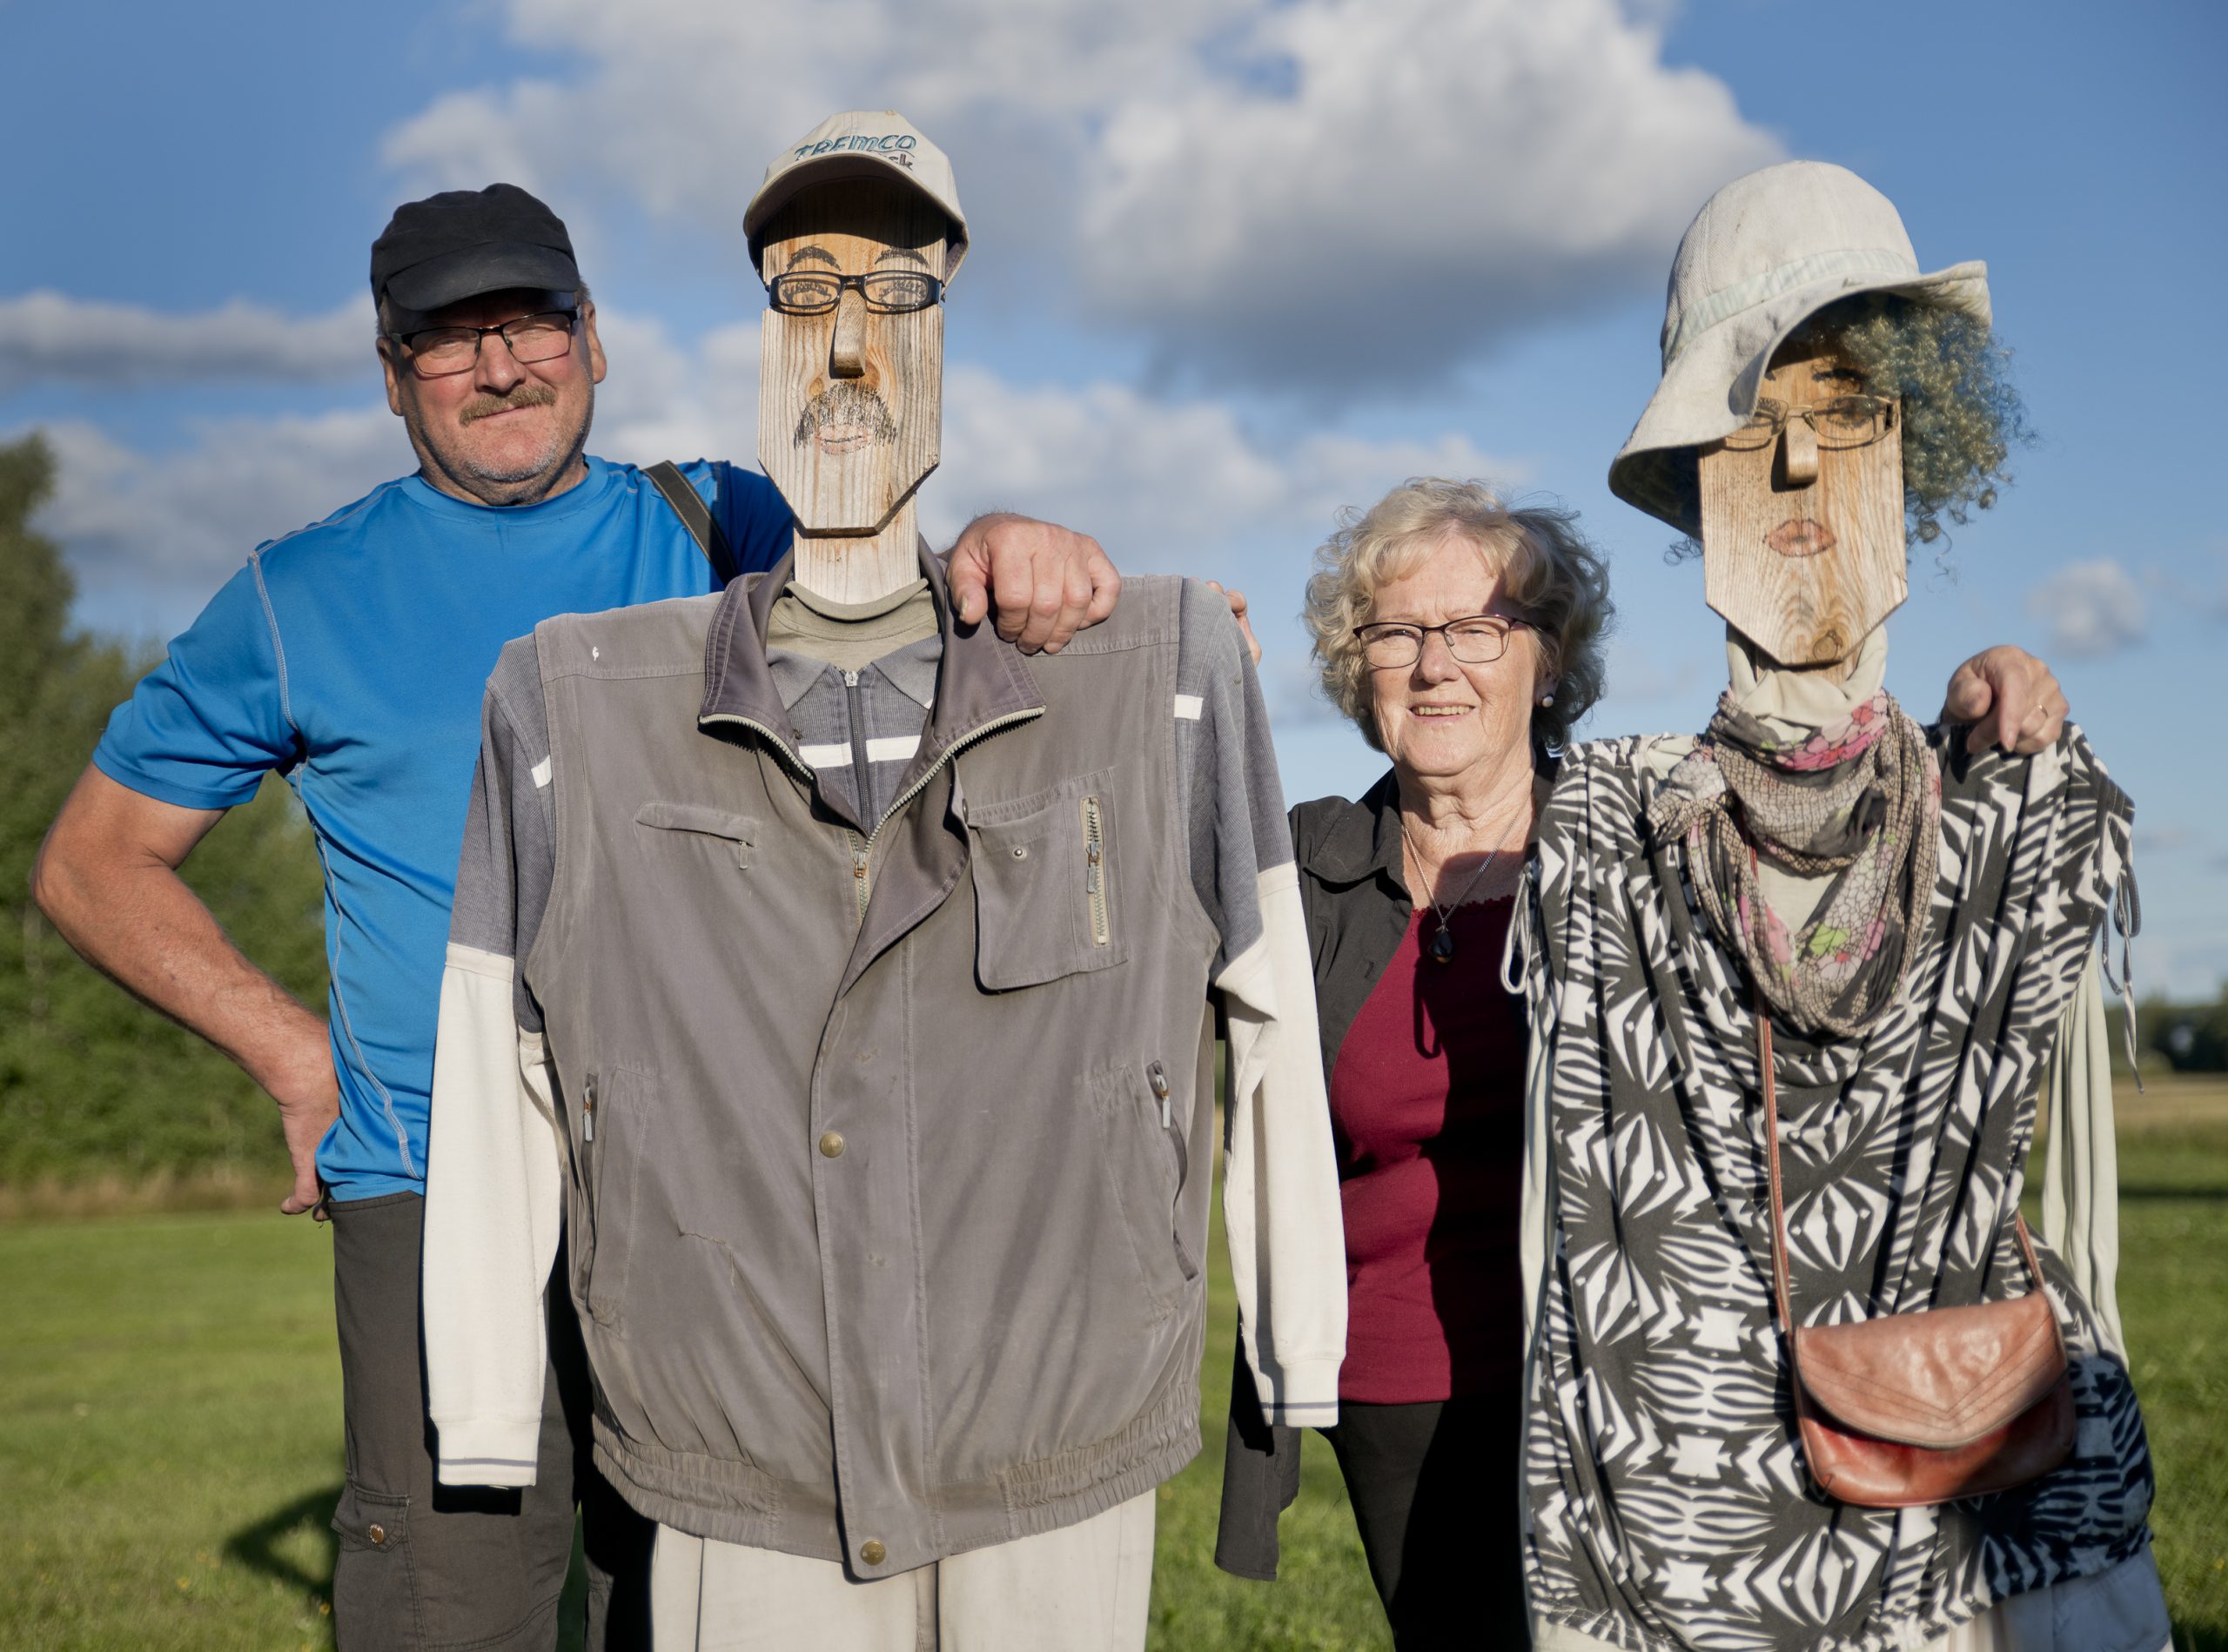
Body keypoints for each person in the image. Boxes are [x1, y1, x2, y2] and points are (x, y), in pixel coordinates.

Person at [30, 178, 1120, 1651]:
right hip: (432, 1171)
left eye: (527, 323)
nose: (497, 366)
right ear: (392, 372)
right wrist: (299, 1058)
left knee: (696, 1585)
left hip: (712, 1172)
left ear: (592, 339)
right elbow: (93, 860)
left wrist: (1015, 545)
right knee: (447, 1599)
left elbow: (909, 618)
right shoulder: (296, 596)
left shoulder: (724, 522)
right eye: (447, 339)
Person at [419, 111, 1347, 1652]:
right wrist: (490, 1412)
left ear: (950, 323)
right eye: (802, 291)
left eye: (896, 292)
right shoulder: (570, 709)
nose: (847, 341)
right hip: (744, 1460)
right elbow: (491, 1067)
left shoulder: (1155, 675)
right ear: (753, 328)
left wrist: (1291, 1345)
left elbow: (1272, 1026)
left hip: (1053, 1441)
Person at [1214, 474, 2073, 1649]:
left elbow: (1832, 836)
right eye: (1396, 632)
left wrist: (1976, 712)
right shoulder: (1308, 864)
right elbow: (1147, 879)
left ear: (1549, 661)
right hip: (1398, 1380)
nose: (1434, 663)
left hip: (1633, 1361)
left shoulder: (1642, 833)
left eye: (1477, 627)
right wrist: (1175, 689)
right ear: (1353, 667)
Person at [1521, 160, 2166, 1651]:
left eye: (1846, 412)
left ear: (1915, 444)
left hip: (1983, 1499)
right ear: (1697, 475)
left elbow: (2067, 1201)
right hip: (1687, 1520)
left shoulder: (2015, 798)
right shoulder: (1614, 818)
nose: (1800, 467)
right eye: (1755, 425)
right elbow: (1565, 1243)